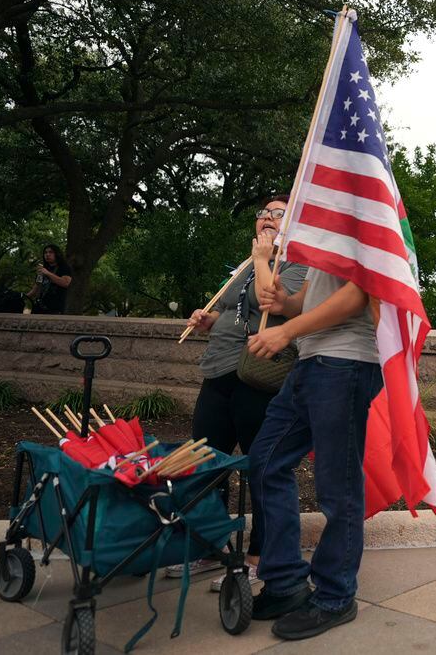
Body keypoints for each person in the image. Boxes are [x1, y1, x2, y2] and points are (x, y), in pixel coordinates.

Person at [172, 196, 308, 590]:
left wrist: (265, 258)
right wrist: (208, 320)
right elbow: (233, 311)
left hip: (258, 375)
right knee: (206, 463)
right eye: (263, 213)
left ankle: (259, 556)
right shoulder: (246, 263)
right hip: (219, 372)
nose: (267, 218)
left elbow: (273, 304)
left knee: (261, 468)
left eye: (278, 213)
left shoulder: (296, 263)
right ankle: (209, 545)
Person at [245, 264, 382, 641]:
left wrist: (286, 330)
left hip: (346, 362)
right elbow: (308, 300)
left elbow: (358, 293)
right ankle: (286, 583)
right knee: (264, 462)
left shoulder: (359, 210)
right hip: (310, 362)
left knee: (338, 486)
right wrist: (286, 304)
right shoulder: (321, 228)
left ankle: (337, 595)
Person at [27, 244, 72, 314]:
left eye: (51, 252)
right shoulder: (42, 269)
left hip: (55, 310)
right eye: (45, 252)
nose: (47, 254)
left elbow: (66, 283)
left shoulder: (64, 267)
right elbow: (36, 288)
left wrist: (47, 273)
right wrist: (22, 297)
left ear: (57, 254)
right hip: (39, 307)